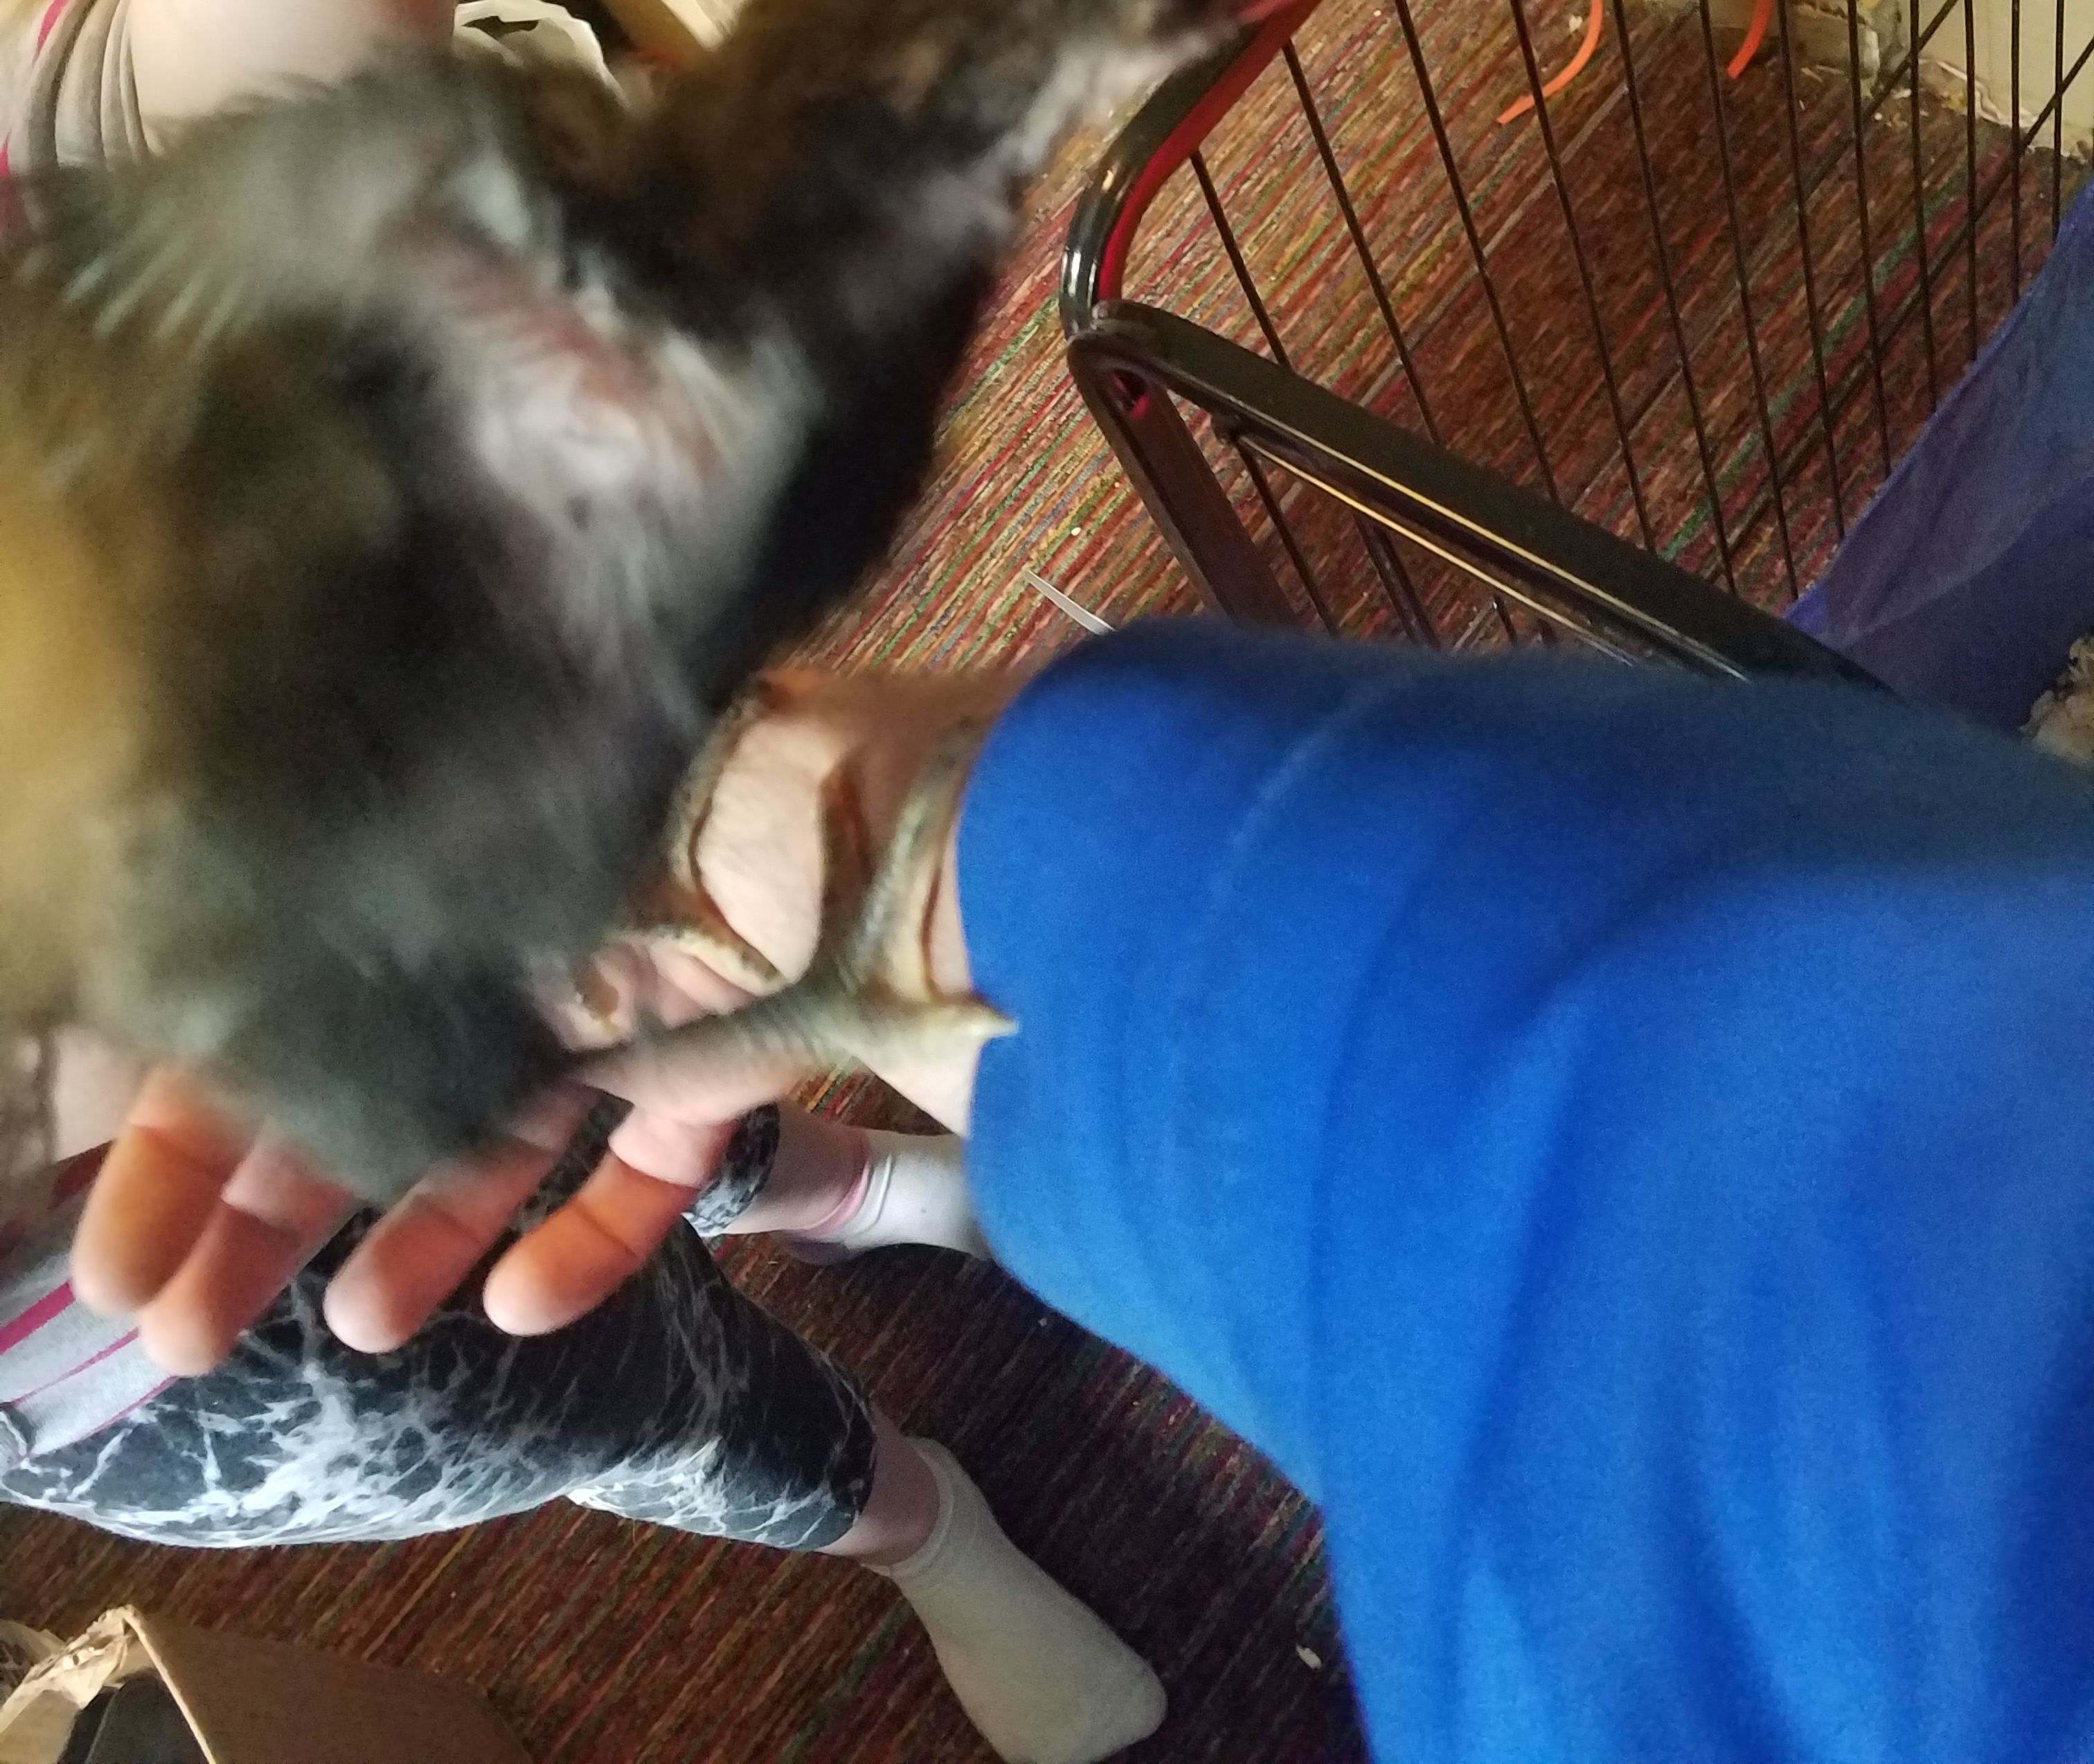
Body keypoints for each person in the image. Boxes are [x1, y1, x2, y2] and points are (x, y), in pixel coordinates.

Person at [0, 0, 1165, 1758]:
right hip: (154, 1330)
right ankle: (917, 1513)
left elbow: (208, 192)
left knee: (681, 1064)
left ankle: (850, 1181)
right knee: (596, 1385)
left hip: (466, 845)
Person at [87, 629, 2094, 1763]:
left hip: (383, 1070)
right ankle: (913, 1510)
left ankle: (859, 1216)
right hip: (131, 1380)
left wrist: (783, 844)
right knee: (588, 1360)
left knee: (615, 1221)